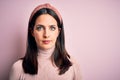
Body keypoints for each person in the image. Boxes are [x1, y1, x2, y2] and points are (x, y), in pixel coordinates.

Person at [9, 3, 82, 80]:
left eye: (52, 28)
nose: (46, 35)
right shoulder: (18, 68)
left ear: (58, 32)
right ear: (32, 32)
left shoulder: (73, 66)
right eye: (40, 28)